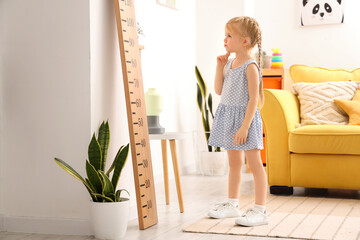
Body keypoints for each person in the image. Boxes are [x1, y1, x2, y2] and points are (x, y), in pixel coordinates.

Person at [207, 16, 268, 227]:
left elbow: (253, 100)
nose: (225, 39)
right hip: (229, 118)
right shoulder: (231, 63)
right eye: (225, 35)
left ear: (245, 41)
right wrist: (219, 67)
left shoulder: (250, 66)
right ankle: (233, 204)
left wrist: (244, 126)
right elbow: (218, 90)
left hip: (246, 122)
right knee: (234, 164)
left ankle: (261, 210)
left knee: (255, 165)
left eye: (229, 36)